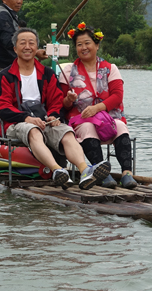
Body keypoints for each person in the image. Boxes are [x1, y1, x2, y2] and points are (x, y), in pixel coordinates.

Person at [0, 27, 110, 190]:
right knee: (33, 130)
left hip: (43, 120)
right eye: (23, 43)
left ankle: (85, 171)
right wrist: (26, 118)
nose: (27, 46)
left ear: (36, 48)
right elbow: (2, 107)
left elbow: (56, 101)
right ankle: (57, 170)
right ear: (15, 48)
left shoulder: (46, 73)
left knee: (66, 132)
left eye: (31, 43)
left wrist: (53, 116)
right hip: (16, 123)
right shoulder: (5, 76)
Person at [59, 23, 137, 189]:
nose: (84, 47)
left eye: (87, 43)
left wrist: (96, 108)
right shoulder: (67, 72)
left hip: (108, 118)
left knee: (121, 126)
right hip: (81, 120)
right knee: (88, 127)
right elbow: (62, 104)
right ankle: (102, 173)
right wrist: (69, 99)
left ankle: (126, 173)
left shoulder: (111, 69)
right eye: (79, 45)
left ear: (97, 45)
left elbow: (117, 96)